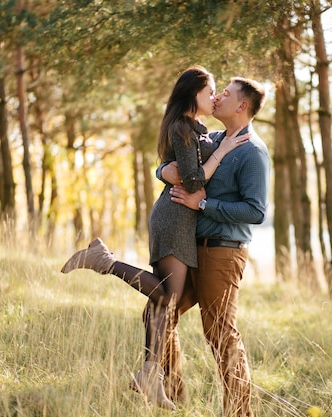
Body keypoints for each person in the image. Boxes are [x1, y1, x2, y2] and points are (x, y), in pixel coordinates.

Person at [60, 66, 249, 411]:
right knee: (168, 295)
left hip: (182, 219)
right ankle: (104, 260)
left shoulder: (195, 128)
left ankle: (150, 373)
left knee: (164, 301)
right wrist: (220, 154)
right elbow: (192, 182)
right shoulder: (182, 127)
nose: (214, 96)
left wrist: (168, 168)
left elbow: (171, 166)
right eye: (210, 91)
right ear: (194, 93)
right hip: (174, 217)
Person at [157, 76, 270, 417]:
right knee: (161, 313)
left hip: (223, 251)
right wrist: (163, 171)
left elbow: (256, 210)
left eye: (227, 93)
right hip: (191, 248)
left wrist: (204, 206)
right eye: (218, 91)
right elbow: (179, 164)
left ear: (242, 106)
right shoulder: (213, 138)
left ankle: (238, 413)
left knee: (220, 334)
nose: (218, 96)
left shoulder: (253, 152)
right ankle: (174, 397)